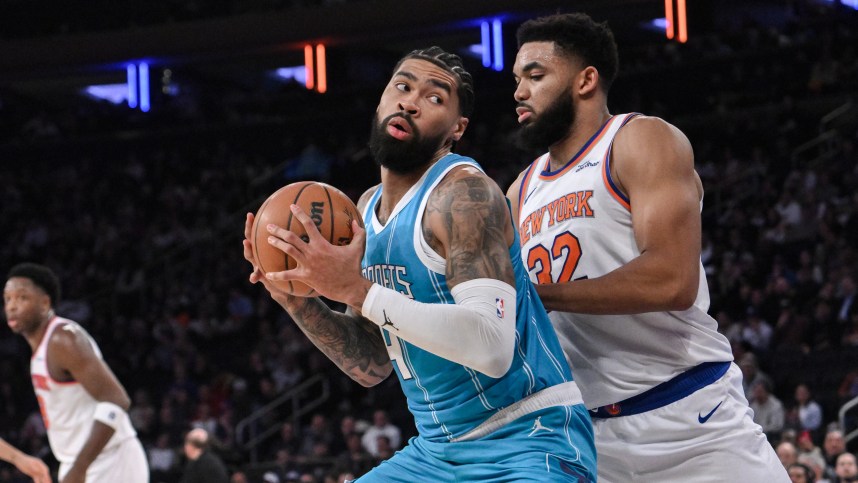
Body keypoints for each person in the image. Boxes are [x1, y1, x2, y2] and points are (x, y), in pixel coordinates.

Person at [243, 46, 596, 481]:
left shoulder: (465, 196)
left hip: (527, 438)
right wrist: (297, 302)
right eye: (402, 87)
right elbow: (371, 364)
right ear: (381, 102)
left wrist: (355, 289)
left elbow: (491, 347)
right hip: (435, 453)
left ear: (456, 129)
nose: (410, 101)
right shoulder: (364, 212)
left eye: (434, 98)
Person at [506, 13, 788, 481]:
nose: (519, 92)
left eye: (535, 76)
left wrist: (539, 294)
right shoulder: (521, 189)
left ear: (586, 80)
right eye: (517, 79)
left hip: (692, 422)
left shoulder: (639, 140)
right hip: (594, 440)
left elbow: (672, 279)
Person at [3, 263, 148, 483]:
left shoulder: (63, 339)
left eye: (22, 298)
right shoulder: (40, 350)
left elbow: (116, 399)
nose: (12, 306)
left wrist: (80, 468)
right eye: (8, 299)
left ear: (45, 303)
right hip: (78, 462)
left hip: (109, 460)